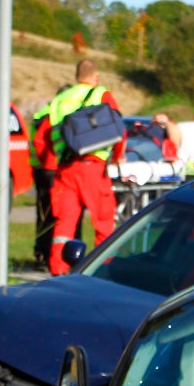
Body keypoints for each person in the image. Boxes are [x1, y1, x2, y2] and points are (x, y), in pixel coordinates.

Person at [46, 59, 126, 275]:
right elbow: (119, 129)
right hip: (94, 166)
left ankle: (57, 269)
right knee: (103, 221)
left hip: (67, 167)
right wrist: (118, 157)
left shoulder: (59, 100)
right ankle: (104, 269)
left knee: (64, 223)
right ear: (95, 76)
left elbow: (53, 135)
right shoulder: (102, 94)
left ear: (76, 76)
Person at [26, 91, 63, 264]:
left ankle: (41, 251)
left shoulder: (44, 111)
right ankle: (46, 253)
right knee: (52, 213)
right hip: (50, 167)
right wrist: (49, 159)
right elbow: (41, 141)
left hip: (41, 168)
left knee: (43, 212)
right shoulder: (54, 113)